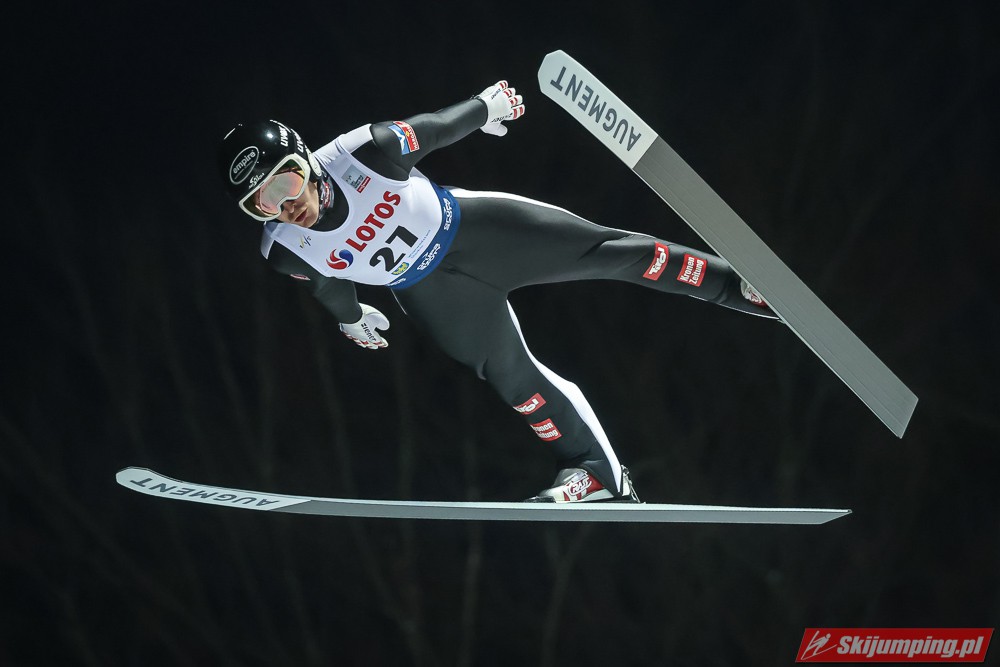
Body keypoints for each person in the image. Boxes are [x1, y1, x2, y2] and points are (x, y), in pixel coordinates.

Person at [218, 81, 776, 503]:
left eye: (286, 181)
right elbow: (326, 283)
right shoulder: (283, 249)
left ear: (305, 159)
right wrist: (351, 317)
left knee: (614, 253)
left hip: (481, 232)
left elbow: (435, 128)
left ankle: (740, 287)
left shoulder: (363, 151)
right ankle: (595, 473)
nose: (287, 205)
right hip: (433, 294)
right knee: (512, 379)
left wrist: (487, 106)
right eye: (263, 203)